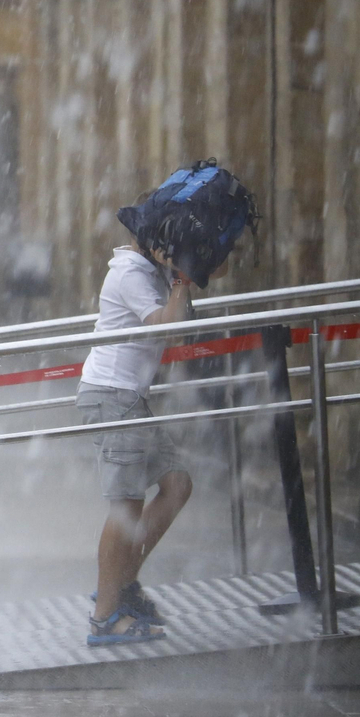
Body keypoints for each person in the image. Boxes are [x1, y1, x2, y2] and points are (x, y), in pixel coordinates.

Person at [78, 159, 258, 646]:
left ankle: (119, 584)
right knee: (126, 508)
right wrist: (182, 275)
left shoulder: (152, 268)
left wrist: (195, 259)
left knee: (177, 485)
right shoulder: (131, 273)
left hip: (129, 399)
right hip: (111, 398)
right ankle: (105, 616)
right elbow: (168, 326)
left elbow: (213, 273)